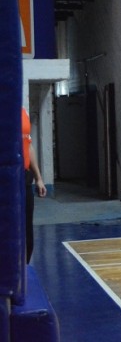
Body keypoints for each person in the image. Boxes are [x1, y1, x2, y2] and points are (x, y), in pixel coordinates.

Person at [22, 107, 47, 262]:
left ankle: (24, 267)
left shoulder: (23, 112)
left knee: (27, 230)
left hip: (24, 177)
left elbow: (28, 145)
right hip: (6, 179)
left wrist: (38, 178)